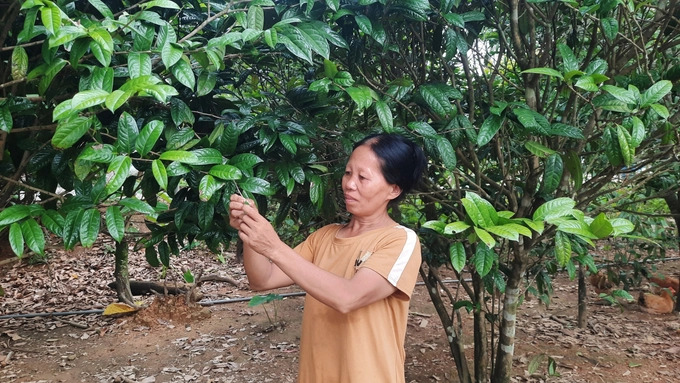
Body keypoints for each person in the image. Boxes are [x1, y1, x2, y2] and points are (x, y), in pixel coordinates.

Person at [229, 133, 427, 382]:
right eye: (347, 173)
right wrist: (250, 230)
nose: (350, 184)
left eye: (363, 177)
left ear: (393, 189)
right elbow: (263, 279)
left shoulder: (399, 240)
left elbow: (347, 297)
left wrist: (274, 247)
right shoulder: (324, 237)